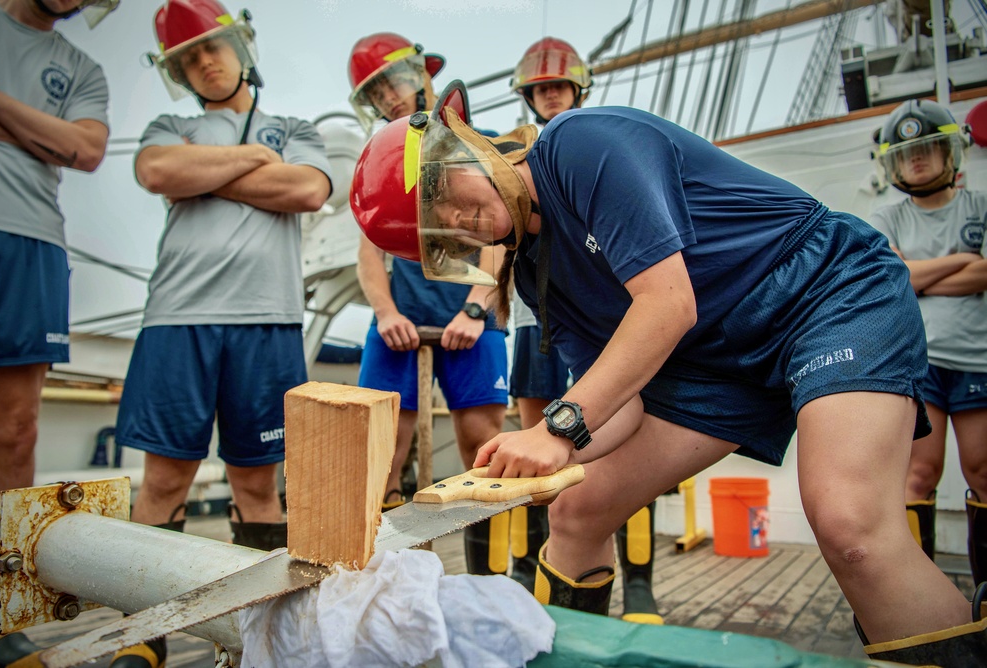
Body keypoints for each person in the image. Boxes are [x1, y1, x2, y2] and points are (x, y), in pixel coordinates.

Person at [349, 86, 986, 664]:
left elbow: (667, 303)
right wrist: (530, 458)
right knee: (576, 509)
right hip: (712, 358)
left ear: (461, 147)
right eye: (443, 234)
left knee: (849, 523)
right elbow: (618, 406)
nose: (463, 224)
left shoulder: (580, 143)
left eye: (446, 202)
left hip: (824, 293)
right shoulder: (541, 277)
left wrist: (559, 426)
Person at [505, 37, 661, 625]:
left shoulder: (594, 142)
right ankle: (527, 567)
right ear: (529, 95)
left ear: (578, 90)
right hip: (531, 325)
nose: (549, 95)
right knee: (532, 453)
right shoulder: (509, 151)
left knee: (619, 451)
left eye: (558, 86)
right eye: (540, 88)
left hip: (602, 319)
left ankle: (640, 583)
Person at [347, 32, 509, 576]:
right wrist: (386, 312)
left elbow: (498, 234)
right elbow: (369, 251)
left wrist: (477, 306)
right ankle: (385, 579)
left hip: (471, 319)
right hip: (400, 321)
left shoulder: (477, 143)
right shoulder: (382, 161)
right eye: (375, 94)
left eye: (393, 81)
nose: (389, 98)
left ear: (423, 73)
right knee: (380, 453)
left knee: (484, 446)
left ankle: (488, 583)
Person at [0, 0, 117, 641]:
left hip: (31, 239)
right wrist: (41, 134)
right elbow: (60, 141)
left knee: (14, 430)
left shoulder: (82, 68)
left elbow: (84, 148)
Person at [869, 98, 987, 587]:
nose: (916, 159)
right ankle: (925, 594)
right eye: (906, 153)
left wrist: (916, 276)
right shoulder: (886, 216)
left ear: (950, 153)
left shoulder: (980, 206)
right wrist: (964, 263)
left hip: (977, 360)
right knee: (919, 474)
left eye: (928, 148)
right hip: (919, 361)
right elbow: (890, 275)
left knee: (982, 470)